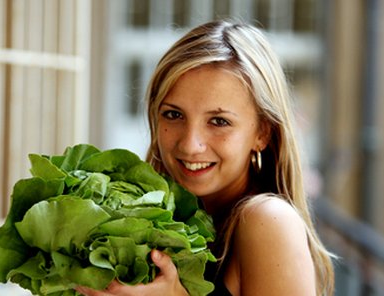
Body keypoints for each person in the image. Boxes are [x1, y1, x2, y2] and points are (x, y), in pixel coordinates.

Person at [77, 19, 335, 296]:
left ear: (262, 132)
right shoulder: (157, 223)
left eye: (219, 121)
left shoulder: (268, 220)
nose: (190, 145)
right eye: (174, 115)